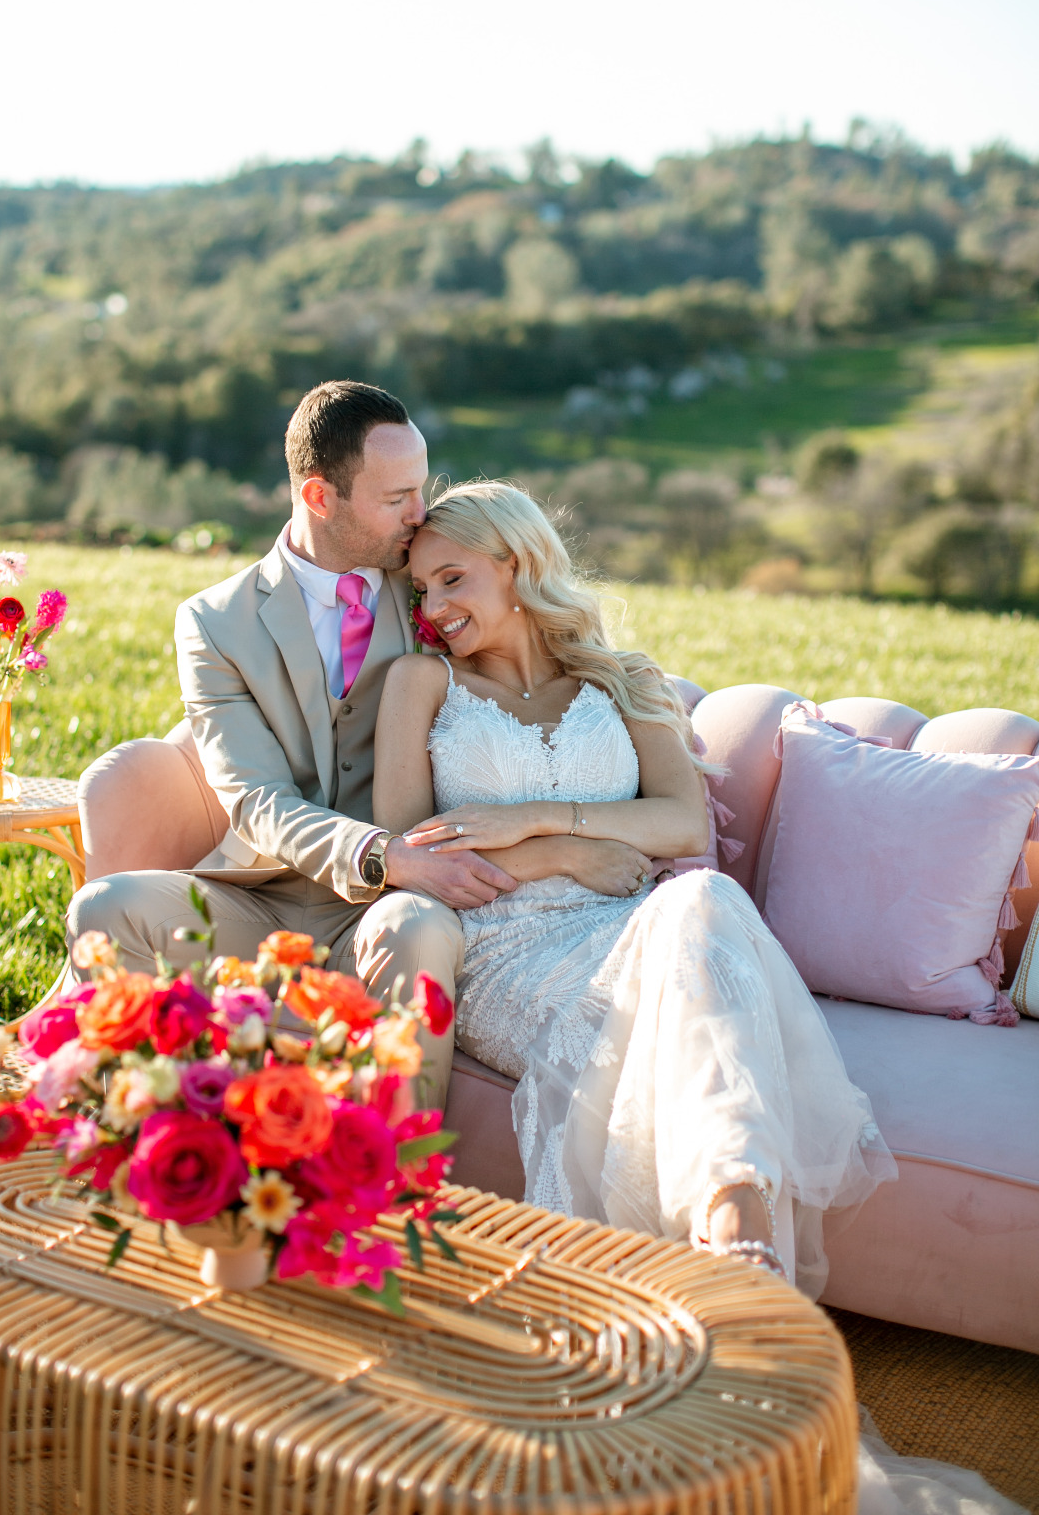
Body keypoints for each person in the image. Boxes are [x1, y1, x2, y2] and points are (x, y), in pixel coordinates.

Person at [373, 478, 898, 1287]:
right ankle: (738, 1240)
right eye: (421, 589)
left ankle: (733, 1218)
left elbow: (682, 826)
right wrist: (560, 855)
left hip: (632, 930)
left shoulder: (624, 680)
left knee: (701, 899)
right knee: (698, 917)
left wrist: (534, 819)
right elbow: (414, 859)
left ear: (516, 565)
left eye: (453, 578)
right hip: (505, 949)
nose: (433, 607)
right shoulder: (423, 683)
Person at [66, 381, 521, 1103]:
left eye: (421, 487)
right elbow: (252, 798)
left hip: (383, 908)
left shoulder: (432, 584)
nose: (421, 512)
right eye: (396, 496)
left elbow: (534, 662)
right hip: (259, 897)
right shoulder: (215, 622)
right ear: (318, 497)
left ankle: (402, 1175)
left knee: (420, 931)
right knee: (104, 908)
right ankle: (146, 1141)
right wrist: (380, 854)